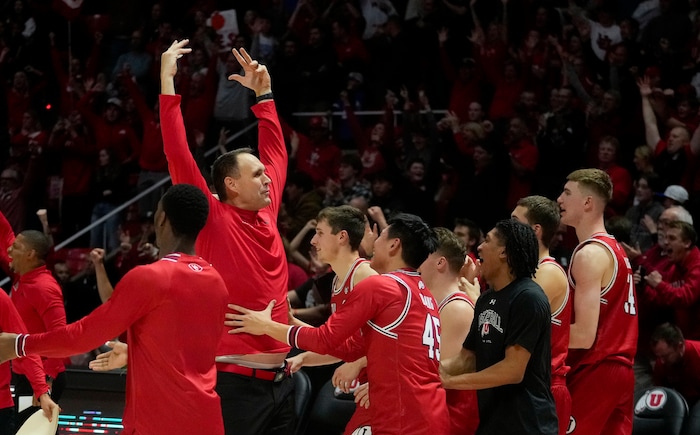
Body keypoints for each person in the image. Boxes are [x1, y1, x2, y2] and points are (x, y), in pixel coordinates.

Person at [0, 184, 229, 435]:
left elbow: (84, 334)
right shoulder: (216, 280)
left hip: (159, 422)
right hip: (206, 419)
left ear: (161, 219)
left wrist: (20, 345)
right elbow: (192, 352)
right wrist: (135, 354)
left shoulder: (151, 277)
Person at [159, 40, 295, 434]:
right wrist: (168, 81)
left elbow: (277, 153)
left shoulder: (266, 210)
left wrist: (264, 95)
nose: (267, 177)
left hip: (282, 383)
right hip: (234, 385)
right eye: (256, 175)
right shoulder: (214, 217)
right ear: (231, 185)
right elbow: (177, 152)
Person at [228, 213, 449, 435]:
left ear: (394, 245)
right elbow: (349, 347)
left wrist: (266, 327)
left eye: (380, 236)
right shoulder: (423, 294)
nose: (373, 242)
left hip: (402, 416)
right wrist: (293, 326)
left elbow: (326, 339)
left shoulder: (381, 286)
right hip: (424, 411)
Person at [440, 219, 558, 434]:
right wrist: (428, 371)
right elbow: (468, 358)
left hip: (528, 424)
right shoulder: (486, 299)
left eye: (487, 240)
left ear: (503, 252)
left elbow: (513, 370)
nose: (479, 247)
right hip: (492, 422)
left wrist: (449, 382)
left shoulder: (529, 298)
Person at [557, 168, 638, 434]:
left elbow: (582, 335)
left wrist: (529, 334)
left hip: (597, 369)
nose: (559, 199)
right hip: (622, 371)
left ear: (588, 202)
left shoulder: (590, 254)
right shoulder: (616, 250)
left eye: (567, 193)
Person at [285, 205, 377, 434]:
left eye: (320, 233)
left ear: (342, 237)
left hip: (384, 386)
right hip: (367, 387)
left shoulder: (365, 276)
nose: (313, 241)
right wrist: (303, 358)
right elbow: (340, 343)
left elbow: (396, 337)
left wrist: (357, 364)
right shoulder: (337, 281)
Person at [511, 196, 572, 435]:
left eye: (515, 222)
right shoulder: (525, 273)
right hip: (523, 384)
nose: (508, 228)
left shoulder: (547, 272)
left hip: (544, 388)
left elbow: (506, 323)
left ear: (535, 230)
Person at [0, 214, 67, 403]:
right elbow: (4, 232)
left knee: (37, 431)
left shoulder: (44, 288)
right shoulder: (21, 275)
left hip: (42, 375)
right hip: (25, 372)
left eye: (16, 247)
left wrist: (46, 381)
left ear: (30, 254)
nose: (9, 250)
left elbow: (61, 337)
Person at [418, 227, 478, 435]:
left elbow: (442, 375)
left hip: (450, 417)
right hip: (426, 411)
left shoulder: (457, 308)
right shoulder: (428, 301)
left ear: (440, 262)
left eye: (421, 253)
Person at [639, 220, 700, 340]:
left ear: (687, 243)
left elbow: (685, 298)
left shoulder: (697, 266)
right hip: (684, 337)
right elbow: (662, 300)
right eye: (666, 238)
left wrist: (659, 284)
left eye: (672, 238)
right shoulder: (675, 267)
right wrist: (643, 288)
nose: (666, 242)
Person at [650, 322, 700, 406]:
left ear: (680, 346)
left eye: (666, 356)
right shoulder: (661, 364)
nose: (662, 361)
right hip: (683, 401)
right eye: (659, 357)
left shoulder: (697, 354)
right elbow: (662, 393)